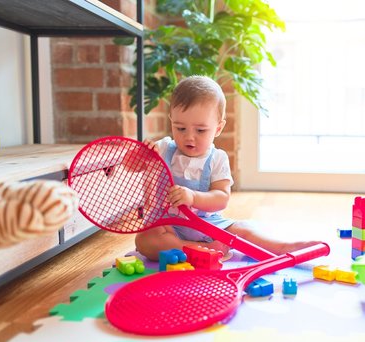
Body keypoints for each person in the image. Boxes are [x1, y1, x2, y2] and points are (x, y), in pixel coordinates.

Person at [135, 75, 321, 261]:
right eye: (180, 128)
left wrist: (193, 197)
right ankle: (202, 250)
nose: (189, 137)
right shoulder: (165, 148)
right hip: (171, 226)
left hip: (208, 224)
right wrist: (139, 154)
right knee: (144, 240)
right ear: (171, 121)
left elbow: (221, 198)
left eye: (200, 130)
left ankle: (283, 247)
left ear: (218, 128)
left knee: (243, 231)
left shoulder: (217, 158)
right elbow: (133, 166)